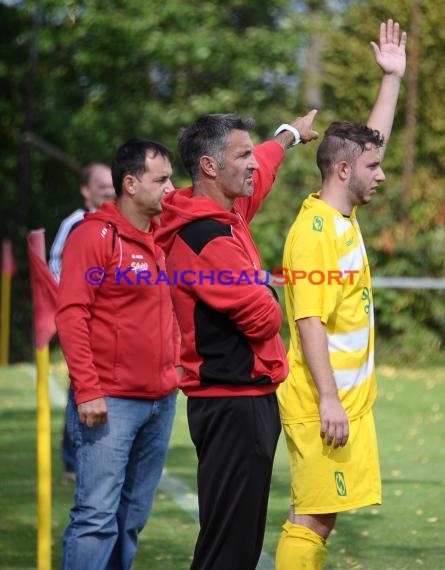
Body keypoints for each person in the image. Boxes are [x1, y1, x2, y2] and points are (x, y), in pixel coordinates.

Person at [156, 110, 319, 570]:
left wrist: (287, 136)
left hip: (241, 398)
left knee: (237, 541)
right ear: (210, 166)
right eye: (240, 154)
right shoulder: (207, 234)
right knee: (228, 549)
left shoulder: (224, 211)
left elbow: (263, 170)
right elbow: (265, 316)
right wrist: (264, 287)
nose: (252, 163)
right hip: (234, 403)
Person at [275, 20, 407, 570]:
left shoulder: (342, 214)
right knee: (311, 517)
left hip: (346, 404)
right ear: (344, 171)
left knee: (322, 519)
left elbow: (368, 145)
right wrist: (329, 398)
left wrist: (391, 80)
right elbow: (309, 322)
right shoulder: (314, 233)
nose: (381, 176)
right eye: (373, 169)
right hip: (319, 403)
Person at [56, 139, 180, 570]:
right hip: (110, 403)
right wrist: (87, 390)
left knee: (131, 519)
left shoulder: (160, 236)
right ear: (130, 183)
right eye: (161, 179)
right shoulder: (94, 235)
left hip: (161, 401)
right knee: (96, 517)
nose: (171, 188)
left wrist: (285, 139)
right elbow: (71, 314)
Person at [50, 163, 115, 483]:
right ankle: (73, 462)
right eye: (100, 185)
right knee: (82, 388)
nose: (108, 189)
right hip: (83, 322)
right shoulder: (75, 224)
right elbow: (56, 265)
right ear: (85, 190)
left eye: (110, 183)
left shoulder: (118, 223)